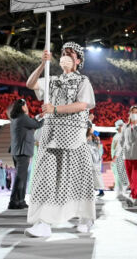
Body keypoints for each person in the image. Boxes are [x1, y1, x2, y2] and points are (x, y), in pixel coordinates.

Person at [24, 42, 96, 238]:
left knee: (77, 179)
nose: (65, 56)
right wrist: (42, 64)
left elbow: (83, 104)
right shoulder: (53, 79)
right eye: (63, 53)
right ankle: (44, 222)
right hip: (51, 134)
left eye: (70, 54)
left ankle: (84, 216)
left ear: (78, 60)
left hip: (74, 137)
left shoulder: (83, 81)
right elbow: (30, 84)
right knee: (45, 178)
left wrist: (55, 109)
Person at [8, 98, 43, 210]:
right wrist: (46, 118)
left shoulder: (16, 118)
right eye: (26, 105)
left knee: (21, 177)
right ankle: (15, 201)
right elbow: (37, 125)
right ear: (22, 107)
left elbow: (32, 122)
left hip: (16, 151)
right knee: (20, 178)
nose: (27, 107)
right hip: (23, 151)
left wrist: (39, 117)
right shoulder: (23, 118)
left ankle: (19, 201)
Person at [111, 119, 129, 200]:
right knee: (119, 176)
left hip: (122, 158)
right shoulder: (118, 137)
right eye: (122, 126)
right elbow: (116, 149)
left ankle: (121, 191)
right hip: (118, 159)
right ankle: (119, 193)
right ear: (119, 127)